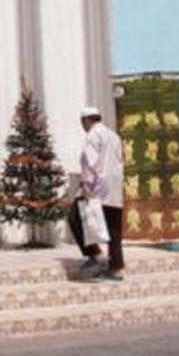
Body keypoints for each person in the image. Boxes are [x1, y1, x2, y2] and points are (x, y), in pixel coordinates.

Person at [75, 105, 125, 281]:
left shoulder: (92, 136)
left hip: (97, 189)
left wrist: (86, 187)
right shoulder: (114, 136)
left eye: (82, 122)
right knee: (114, 229)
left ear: (86, 120)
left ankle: (95, 255)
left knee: (74, 216)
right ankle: (116, 268)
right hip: (114, 189)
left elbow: (90, 163)